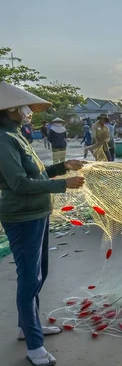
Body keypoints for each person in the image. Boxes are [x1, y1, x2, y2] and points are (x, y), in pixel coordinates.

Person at [0, 82, 85, 366]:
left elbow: (36, 172)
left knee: (40, 272)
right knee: (29, 278)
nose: (27, 113)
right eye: (22, 108)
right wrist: (62, 185)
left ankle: (28, 327)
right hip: (22, 216)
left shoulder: (17, 136)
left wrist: (63, 167)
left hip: (38, 212)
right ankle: (35, 347)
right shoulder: (3, 140)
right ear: (10, 109)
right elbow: (20, 184)